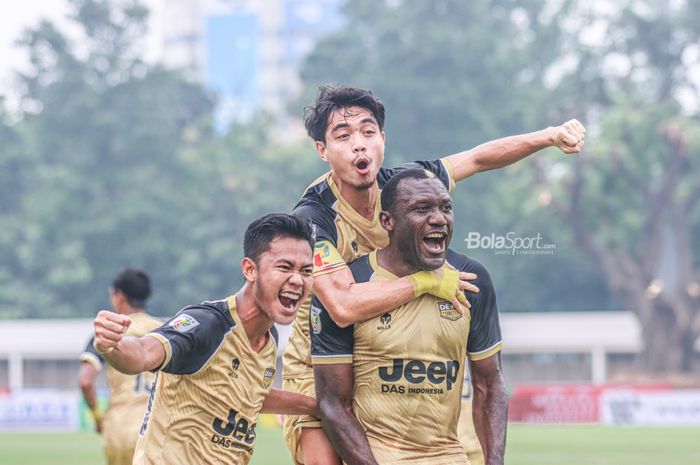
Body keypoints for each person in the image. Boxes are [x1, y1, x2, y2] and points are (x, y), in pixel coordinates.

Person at [283, 85, 584, 464]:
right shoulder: (314, 217)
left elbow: (478, 158)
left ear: (383, 139)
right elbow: (341, 305)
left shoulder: (403, 185)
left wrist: (549, 136)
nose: (359, 144)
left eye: (368, 131)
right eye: (343, 136)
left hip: (395, 346)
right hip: (320, 359)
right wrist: (427, 281)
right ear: (322, 151)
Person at [311, 169, 507, 465]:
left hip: (450, 456)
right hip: (378, 456)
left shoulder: (472, 279)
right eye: (422, 209)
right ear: (387, 221)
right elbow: (333, 404)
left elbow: (489, 384)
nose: (439, 218)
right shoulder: (353, 284)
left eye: (446, 207)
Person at [92, 214, 320, 465]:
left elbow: (249, 395)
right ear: (249, 269)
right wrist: (113, 346)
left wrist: (317, 406)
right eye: (285, 267)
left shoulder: (269, 338)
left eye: (306, 270)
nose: (298, 279)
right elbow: (143, 354)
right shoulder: (207, 324)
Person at [79, 268, 161, 465]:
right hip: (155, 430)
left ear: (120, 296)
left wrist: (98, 419)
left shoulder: (108, 333)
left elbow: (85, 381)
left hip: (119, 430)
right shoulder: (163, 331)